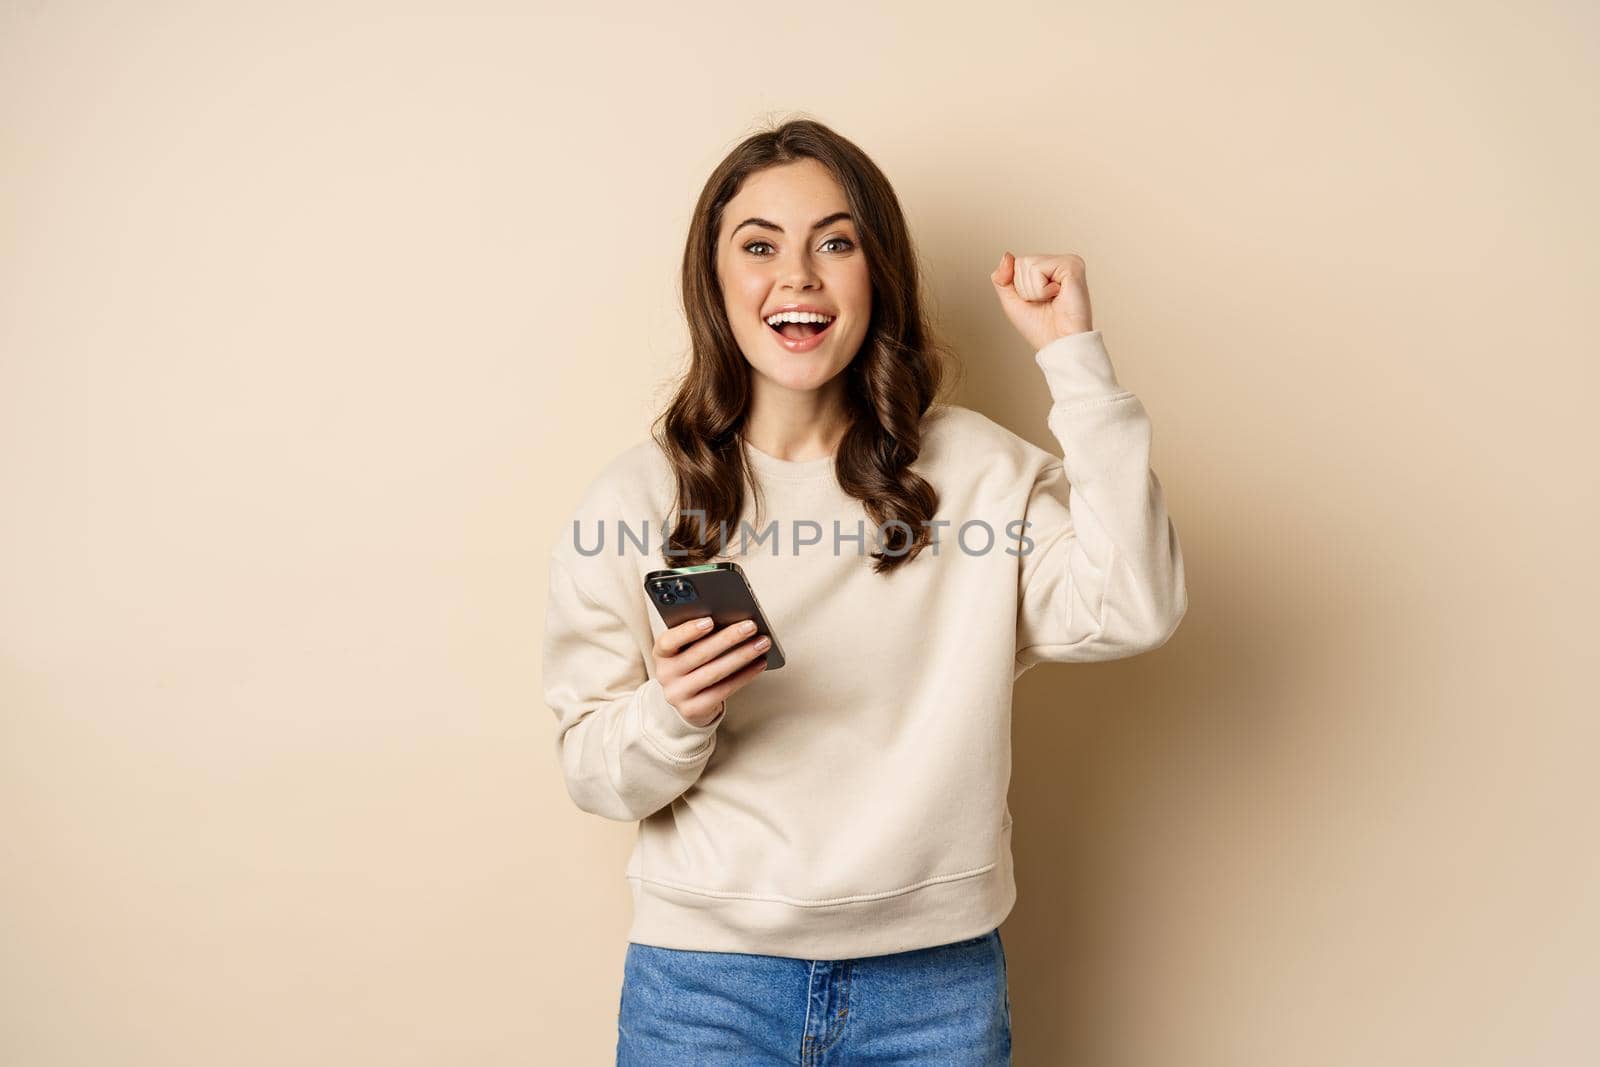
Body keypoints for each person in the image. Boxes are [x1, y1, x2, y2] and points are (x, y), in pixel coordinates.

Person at [542, 117, 1188, 1065]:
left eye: (834, 243)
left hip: (935, 987)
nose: (797, 276)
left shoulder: (977, 472)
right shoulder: (637, 498)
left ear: (876, 272)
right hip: (705, 989)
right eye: (759, 246)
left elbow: (1139, 603)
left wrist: (1072, 359)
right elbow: (594, 771)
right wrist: (675, 710)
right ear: (714, 282)